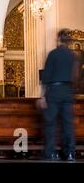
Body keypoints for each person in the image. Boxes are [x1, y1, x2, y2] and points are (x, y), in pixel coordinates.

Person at [40, 29, 79, 162]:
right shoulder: (73, 55)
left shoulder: (53, 54)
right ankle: (70, 154)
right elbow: (76, 76)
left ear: (59, 39)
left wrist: (43, 96)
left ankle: (50, 153)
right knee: (68, 124)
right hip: (68, 91)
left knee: (50, 123)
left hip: (54, 91)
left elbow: (46, 76)